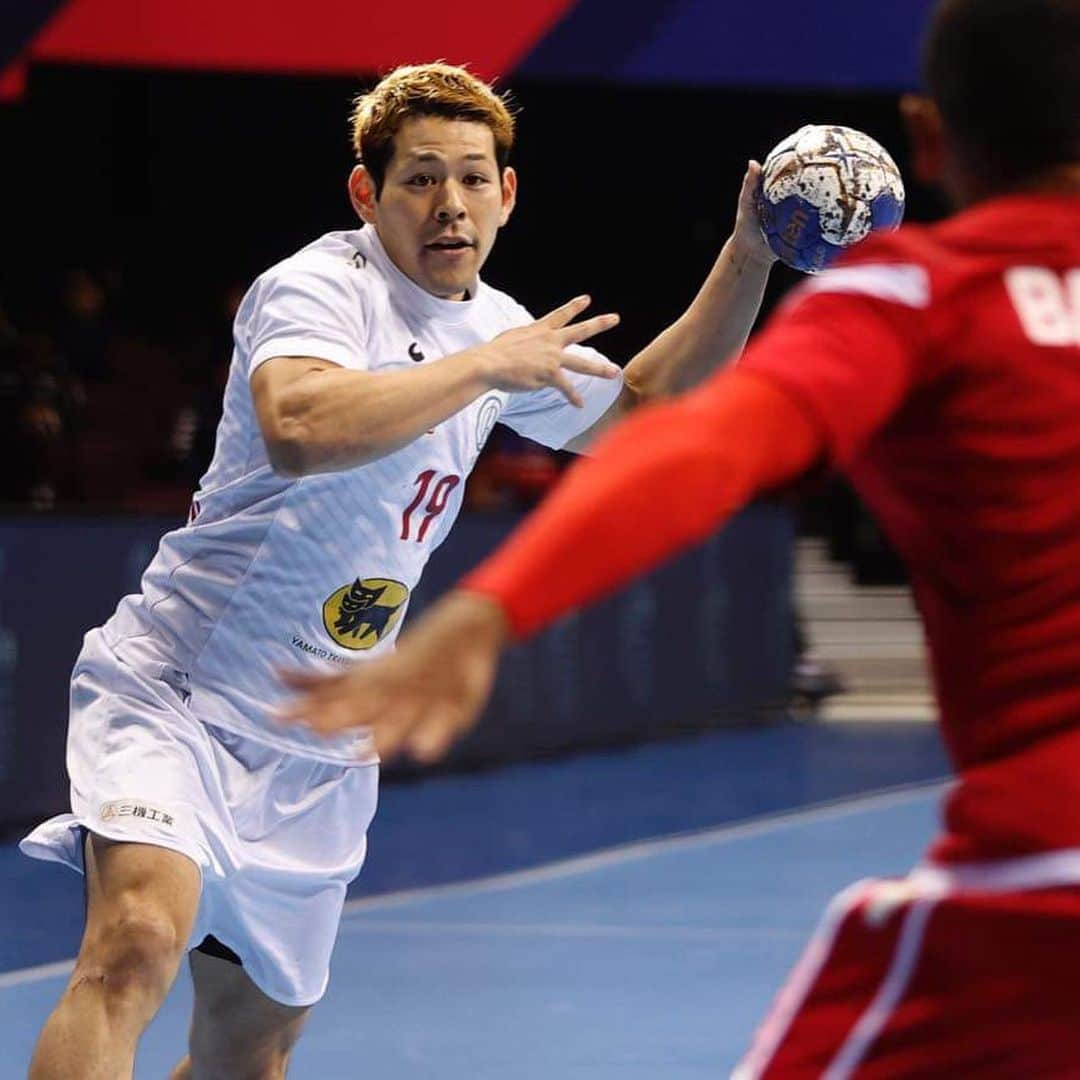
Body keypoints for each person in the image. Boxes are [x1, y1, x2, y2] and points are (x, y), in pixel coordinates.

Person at [283, 2, 1080, 1074]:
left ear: (927, 138)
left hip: (1043, 862)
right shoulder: (333, 295)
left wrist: (487, 611)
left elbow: (701, 446)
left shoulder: (911, 298)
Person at [20, 62, 777, 1078]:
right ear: (366, 194)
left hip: (322, 743)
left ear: (507, 194)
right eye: (419, 179)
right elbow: (299, 425)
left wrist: (749, 252)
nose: (449, 203)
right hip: (178, 696)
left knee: (249, 1050)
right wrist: (481, 368)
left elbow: (648, 407)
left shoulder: (497, 324)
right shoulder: (322, 289)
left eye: (472, 178)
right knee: (136, 944)